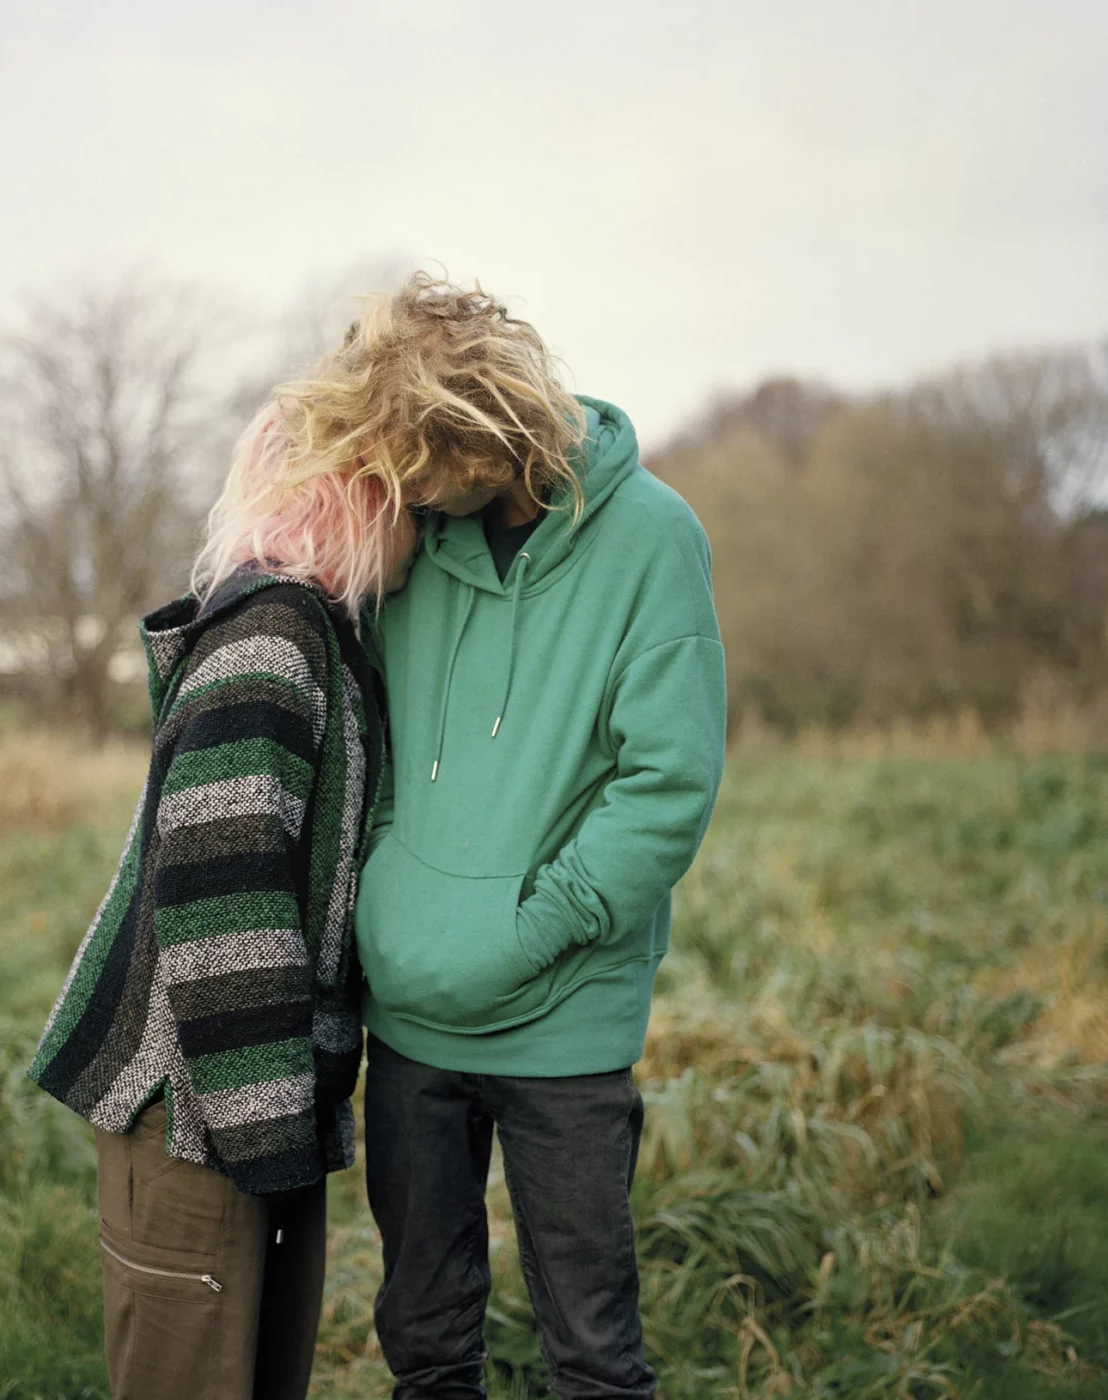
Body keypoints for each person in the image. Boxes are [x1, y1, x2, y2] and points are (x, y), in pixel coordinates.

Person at [346, 274, 728, 1399]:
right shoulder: (408, 540)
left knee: (593, 1355)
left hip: (563, 1018)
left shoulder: (653, 540)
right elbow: (368, 740)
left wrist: (531, 926)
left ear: (485, 436)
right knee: (423, 1342)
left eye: (416, 458)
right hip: (410, 1017)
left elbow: (666, 784)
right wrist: (388, 901)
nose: (398, 484)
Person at [27, 396, 417, 1400]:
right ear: (352, 493)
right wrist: (272, 1138)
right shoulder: (272, 634)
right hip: (201, 1112)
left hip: (250, 1110)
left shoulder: (315, 633)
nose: (421, 520)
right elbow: (220, 895)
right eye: (403, 492)